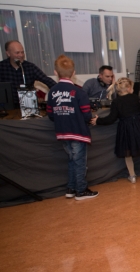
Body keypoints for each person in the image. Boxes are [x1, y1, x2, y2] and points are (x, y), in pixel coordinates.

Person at [90, 77, 140, 185]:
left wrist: (98, 120)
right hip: (139, 127)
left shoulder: (116, 102)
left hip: (126, 129)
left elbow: (111, 118)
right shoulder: (135, 98)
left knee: (127, 154)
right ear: (129, 88)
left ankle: (132, 176)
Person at [46, 55, 98, 201]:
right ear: (74, 73)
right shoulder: (79, 92)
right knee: (80, 162)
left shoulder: (52, 92)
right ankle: (81, 191)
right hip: (77, 133)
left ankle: (71, 188)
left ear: (55, 72)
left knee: (71, 160)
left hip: (62, 133)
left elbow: (50, 115)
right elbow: (87, 115)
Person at [0, 40, 56, 108]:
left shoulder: (30, 67)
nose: (20, 55)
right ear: (8, 53)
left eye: (22, 52)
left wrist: (61, 90)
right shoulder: (2, 67)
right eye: (17, 53)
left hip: (28, 107)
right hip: (8, 109)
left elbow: (47, 80)